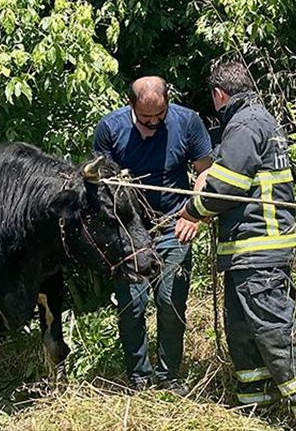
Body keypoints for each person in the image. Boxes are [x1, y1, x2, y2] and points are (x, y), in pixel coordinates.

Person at [174, 60, 296, 423]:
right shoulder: (258, 120)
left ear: (219, 94)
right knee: (243, 333)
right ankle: (256, 411)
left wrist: (193, 210)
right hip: (247, 251)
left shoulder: (244, 124)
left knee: (273, 330)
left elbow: (227, 188)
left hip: (260, 249)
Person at [94, 76, 212, 393]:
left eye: (159, 115)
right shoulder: (109, 128)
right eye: (146, 118)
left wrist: (195, 212)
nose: (154, 122)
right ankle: (139, 377)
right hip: (129, 232)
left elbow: (205, 171)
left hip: (175, 225)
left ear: (167, 103)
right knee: (132, 305)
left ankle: (169, 375)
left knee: (171, 301)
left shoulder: (188, 122)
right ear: (131, 105)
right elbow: (102, 186)